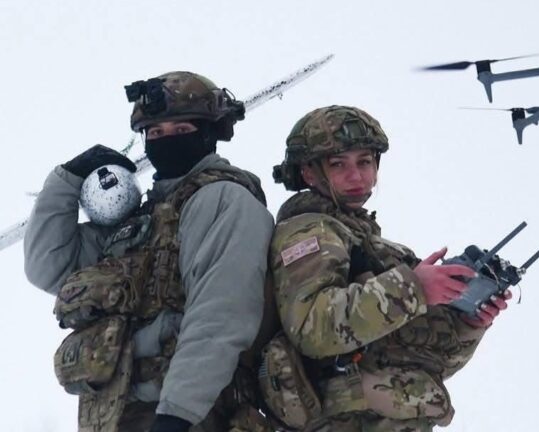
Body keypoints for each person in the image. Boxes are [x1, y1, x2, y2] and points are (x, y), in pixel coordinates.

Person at [24, 71, 275, 432]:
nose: (165, 141)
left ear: (208, 133)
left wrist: (176, 415)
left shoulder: (222, 200)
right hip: (121, 415)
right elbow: (47, 267)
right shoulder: (142, 221)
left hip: (191, 415)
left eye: (181, 130)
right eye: (155, 133)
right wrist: (66, 180)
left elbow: (221, 313)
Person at [269, 105, 512, 431]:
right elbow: (315, 329)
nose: (356, 176)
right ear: (309, 173)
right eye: (338, 164)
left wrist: (469, 324)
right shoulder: (310, 231)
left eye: (365, 162)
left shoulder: (375, 246)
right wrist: (414, 288)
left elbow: (429, 363)